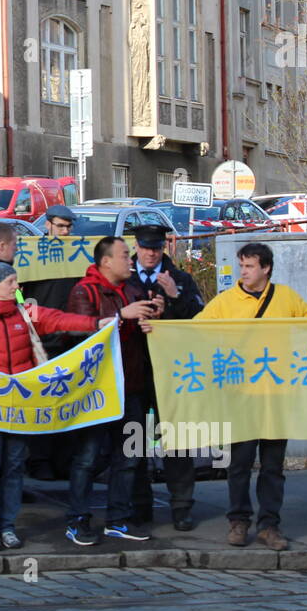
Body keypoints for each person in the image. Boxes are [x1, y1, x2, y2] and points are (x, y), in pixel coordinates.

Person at [0, 261, 102, 551]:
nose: (17, 286)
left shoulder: (24, 313)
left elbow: (58, 320)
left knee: (14, 466)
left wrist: (96, 324)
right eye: (11, 282)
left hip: (20, 406)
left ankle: (8, 526)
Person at [198, 242, 307, 550]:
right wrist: (157, 329)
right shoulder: (225, 302)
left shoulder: (286, 297)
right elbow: (192, 331)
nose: (244, 272)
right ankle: (238, 522)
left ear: (266, 268)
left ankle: (269, 525)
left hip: (277, 393)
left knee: (273, 465)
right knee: (239, 463)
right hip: (241, 394)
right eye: (241, 266)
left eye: (250, 266)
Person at [65, 236, 163, 543]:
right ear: (106, 261)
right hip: (98, 390)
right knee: (88, 457)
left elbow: (142, 332)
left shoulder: (131, 290)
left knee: (129, 456)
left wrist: (155, 315)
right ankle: (78, 519)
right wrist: (122, 317)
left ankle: (118, 518)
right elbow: (78, 332)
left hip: (131, 387)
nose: (131, 260)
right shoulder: (85, 291)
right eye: (124, 255)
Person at [129, 224, 203, 530]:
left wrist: (172, 300)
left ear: (164, 249)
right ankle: (139, 504)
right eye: (145, 248)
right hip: (134, 371)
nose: (150, 254)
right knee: (134, 441)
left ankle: (181, 505)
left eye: (156, 248)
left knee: (177, 441)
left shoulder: (181, 279)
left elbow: (200, 321)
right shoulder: (124, 277)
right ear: (136, 246)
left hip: (172, 374)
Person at [20, 204, 77, 483]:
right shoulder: (32, 254)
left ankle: (63, 460)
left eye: (68, 227)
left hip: (72, 338)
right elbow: (22, 296)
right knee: (43, 401)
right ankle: (39, 460)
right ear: (47, 226)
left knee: (67, 401)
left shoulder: (78, 254)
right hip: (42, 340)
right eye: (60, 226)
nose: (65, 231)